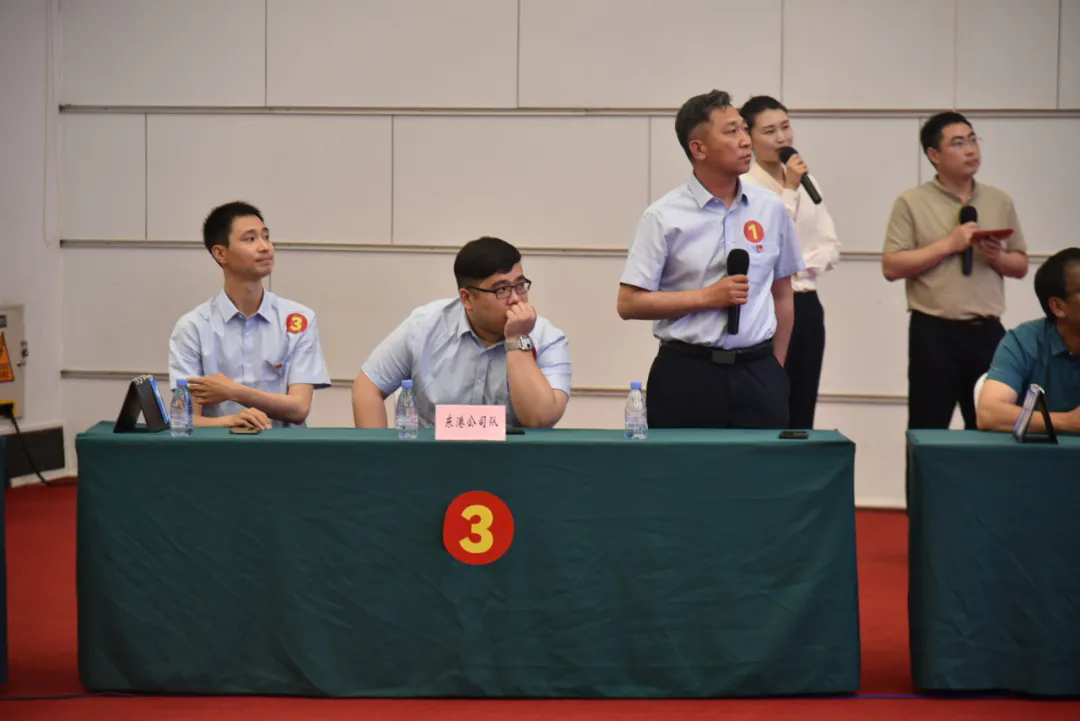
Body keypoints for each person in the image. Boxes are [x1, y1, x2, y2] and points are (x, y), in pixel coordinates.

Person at [617, 89, 804, 429]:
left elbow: (782, 294)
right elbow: (629, 303)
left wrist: (775, 368)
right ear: (698, 149)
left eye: (744, 129)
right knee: (683, 464)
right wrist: (706, 298)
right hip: (687, 373)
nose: (745, 140)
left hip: (758, 372)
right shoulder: (663, 216)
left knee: (763, 464)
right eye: (731, 131)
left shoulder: (771, 208)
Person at [883, 112, 1028, 430]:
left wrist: (997, 258)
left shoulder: (998, 200)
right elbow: (891, 266)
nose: (971, 150)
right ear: (934, 155)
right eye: (958, 143)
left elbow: (1021, 264)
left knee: (991, 429)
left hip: (988, 332)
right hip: (934, 332)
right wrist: (948, 245)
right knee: (927, 428)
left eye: (973, 140)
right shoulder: (912, 202)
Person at [353, 236, 571, 429]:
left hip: (514, 460)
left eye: (520, 285)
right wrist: (380, 457)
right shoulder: (424, 327)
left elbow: (540, 419)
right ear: (467, 298)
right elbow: (367, 387)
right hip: (434, 458)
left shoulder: (547, 338)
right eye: (501, 289)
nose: (515, 299)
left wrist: (517, 339)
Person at [168, 201, 331, 430]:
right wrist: (230, 421)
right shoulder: (193, 326)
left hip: (283, 448)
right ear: (220, 253)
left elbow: (299, 408)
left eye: (266, 237)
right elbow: (186, 419)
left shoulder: (298, 319)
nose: (265, 247)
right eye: (250, 239)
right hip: (217, 449)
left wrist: (233, 391)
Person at [740, 95, 841, 430]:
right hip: (767, 305)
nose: (782, 138)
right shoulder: (746, 186)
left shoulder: (808, 183)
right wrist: (789, 189)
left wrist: (795, 265)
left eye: (785, 127)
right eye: (770, 131)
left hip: (807, 303)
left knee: (803, 404)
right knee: (768, 401)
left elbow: (830, 246)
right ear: (749, 137)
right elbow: (767, 245)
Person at [977, 248, 1080, 434]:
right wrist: (1067, 422)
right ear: (1058, 306)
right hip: (1034, 451)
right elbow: (989, 414)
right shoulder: (1024, 341)